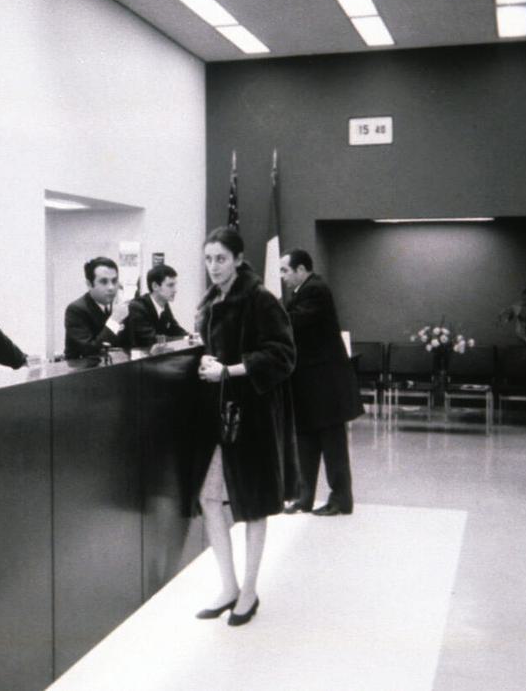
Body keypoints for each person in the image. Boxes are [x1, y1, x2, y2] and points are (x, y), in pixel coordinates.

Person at [191, 226, 296, 627]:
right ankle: (229, 585)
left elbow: (283, 355)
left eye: (220, 259)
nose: (213, 267)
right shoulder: (213, 299)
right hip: (220, 415)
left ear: (237, 258)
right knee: (208, 498)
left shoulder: (259, 299)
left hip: (251, 417)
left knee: (253, 505)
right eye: (208, 259)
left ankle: (249, 591)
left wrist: (229, 370)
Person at [279, 249, 361, 516]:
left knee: (332, 443)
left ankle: (341, 500)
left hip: (325, 385)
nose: (282, 276)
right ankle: (304, 497)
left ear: (301, 270)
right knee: (306, 440)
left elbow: (293, 323)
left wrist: (264, 317)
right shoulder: (302, 292)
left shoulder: (316, 290)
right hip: (310, 383)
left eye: (285, 270)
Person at [63, 256, 129, 358]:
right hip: (85, 372)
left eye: (114, 281)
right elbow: (89, 350)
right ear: (89, 284)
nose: (111, 287)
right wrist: (114, 321)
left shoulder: (118, 307)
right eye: (104, 282)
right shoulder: (76, 310)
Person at [126, 263, 188, 348]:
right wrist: (184, 339)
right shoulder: (137, 307)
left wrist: (191, 337)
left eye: (175, 285)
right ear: (155, 286)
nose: (175, 290)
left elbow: (175, 329)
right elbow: (151, 340)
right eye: (170, 285)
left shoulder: (164, 304)